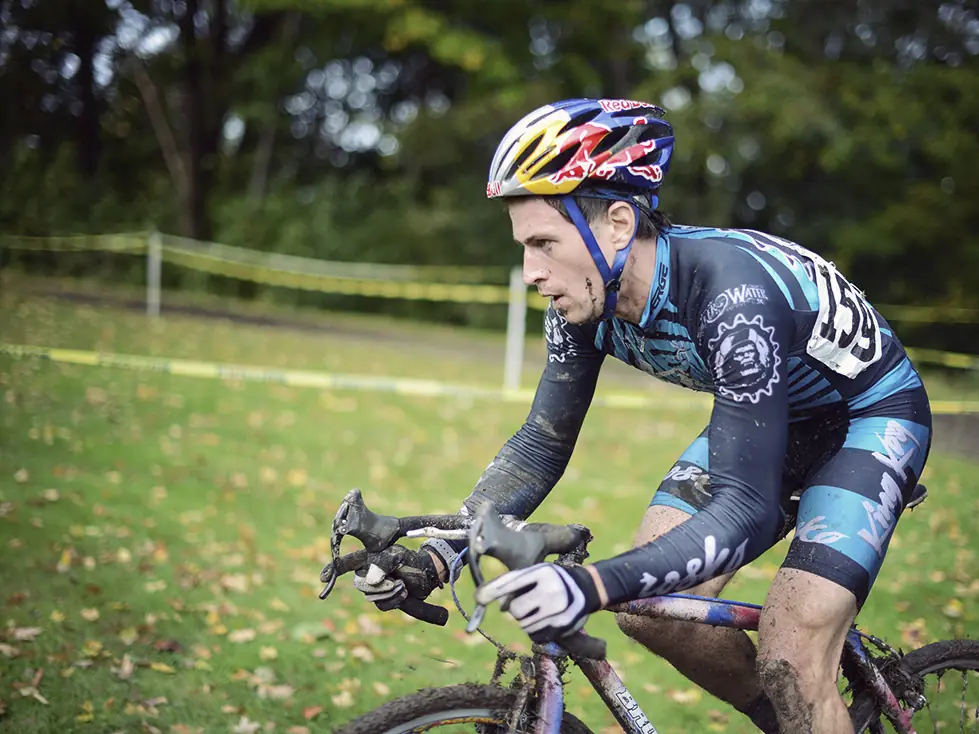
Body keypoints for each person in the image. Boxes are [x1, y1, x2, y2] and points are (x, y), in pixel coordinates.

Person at [352, 98, 933, 734]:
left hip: (866, 419)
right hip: (769, 416)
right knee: (651, 612)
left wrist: (591, 586)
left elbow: (744, 507)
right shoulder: (584, 301)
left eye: (544, 244)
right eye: (524, 246)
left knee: (792, 658)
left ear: (618, 224)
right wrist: (442, 551)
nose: (530, 273)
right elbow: (541, 445)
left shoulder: (730, 296)